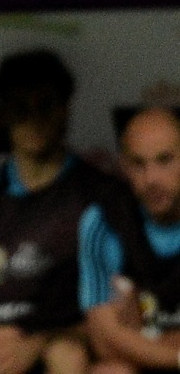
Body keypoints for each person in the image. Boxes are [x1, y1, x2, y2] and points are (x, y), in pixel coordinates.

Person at [0, 49, 113, 374]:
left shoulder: (100, 194)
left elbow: (113, 314)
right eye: (20, 109)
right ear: (3, 114)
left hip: (61, 343)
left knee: (66, 354)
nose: (34, 119)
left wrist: (34, 344)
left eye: (45, 106)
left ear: (65, 110)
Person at [78, 106, 180, 374]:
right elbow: (105, 340)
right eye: (138, 164)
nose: (151, 178)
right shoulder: (103, 221)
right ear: (124, 167)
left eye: (165, 160)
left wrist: (139, 337)